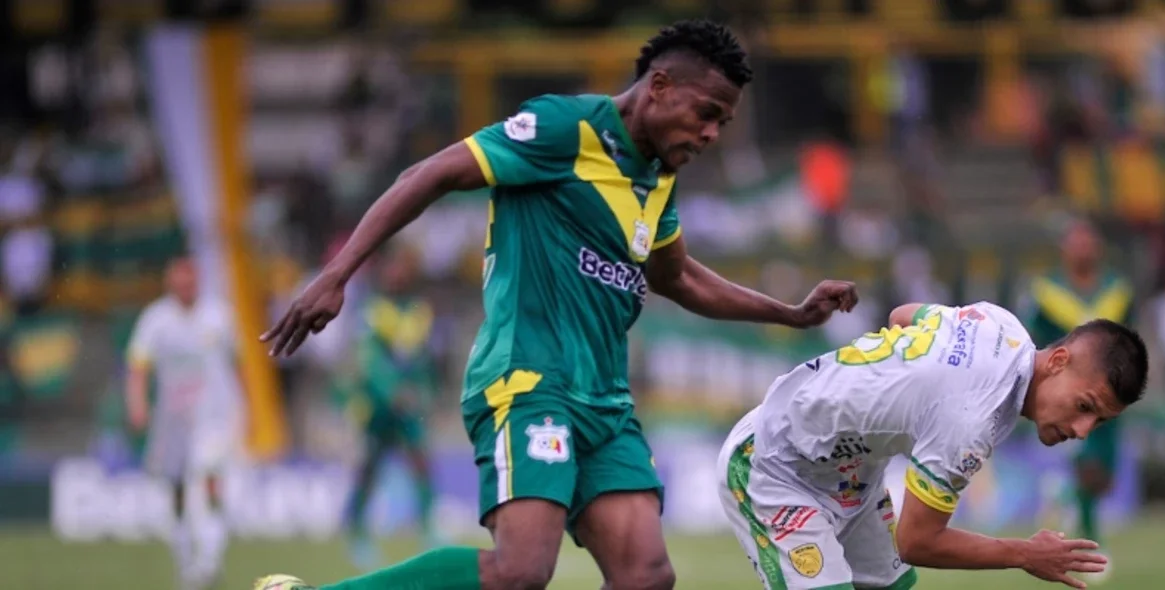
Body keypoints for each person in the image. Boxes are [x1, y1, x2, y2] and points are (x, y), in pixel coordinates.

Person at [255, 19, 856, 590]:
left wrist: (790, 313)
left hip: (606, 404)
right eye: (706, 114)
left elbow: (679, 278)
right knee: (520, 571)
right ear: (659, 86)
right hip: (529, 380)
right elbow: (429, 173)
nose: (711, 134)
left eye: (722, 123)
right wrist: (335, 275)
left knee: (646, 575)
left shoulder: (657, 176)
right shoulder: (563, 129)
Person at [717, 301, 1148, 590]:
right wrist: (1024, 553)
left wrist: (891, 386)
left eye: (1100, 420)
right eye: (1085, 406)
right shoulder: (969, 421)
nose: (1084, 429)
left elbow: (903, 315)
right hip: (775, 466)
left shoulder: (1001, 325)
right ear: (1057, 361)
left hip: (850, 476)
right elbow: (917, 542)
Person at [1021, 219, 1135, 572]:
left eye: (1089, 243)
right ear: (1065, 250)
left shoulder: (1118, 291)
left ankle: (1065, 497)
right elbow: (1033, 341)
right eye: (1077, 243)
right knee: (1087, 465)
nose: (1083, 250)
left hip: (1110, 395)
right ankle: (1090, 544)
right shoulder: (1045, 292)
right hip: (1069, 393)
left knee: (1104, 476)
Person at [126, 256, 245, 589]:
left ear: (198, 282)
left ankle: (208, 560)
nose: (185, 289)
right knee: (176, 489)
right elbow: (138, 367)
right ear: (170, 285)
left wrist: (244, 408)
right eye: (179, 284)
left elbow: (238, 363)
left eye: (189, 283)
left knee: (209, 476)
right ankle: (185, 559)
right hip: (173, 419)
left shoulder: (219, 315)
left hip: (213, 416)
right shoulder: (155, 320)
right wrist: (137, 405)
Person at [343, 245, 449, 568]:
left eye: (401, 268)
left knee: (421, 461)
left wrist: (424, 392)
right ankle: (356, 530)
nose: (396, 274)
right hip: (377, 406)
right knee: (369, 469)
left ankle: (428, 528)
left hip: (410, 404)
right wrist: (391, 391)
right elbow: (368, 360)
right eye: (391, 268)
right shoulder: (372, 310)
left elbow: (424, 359)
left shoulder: (419, 310)